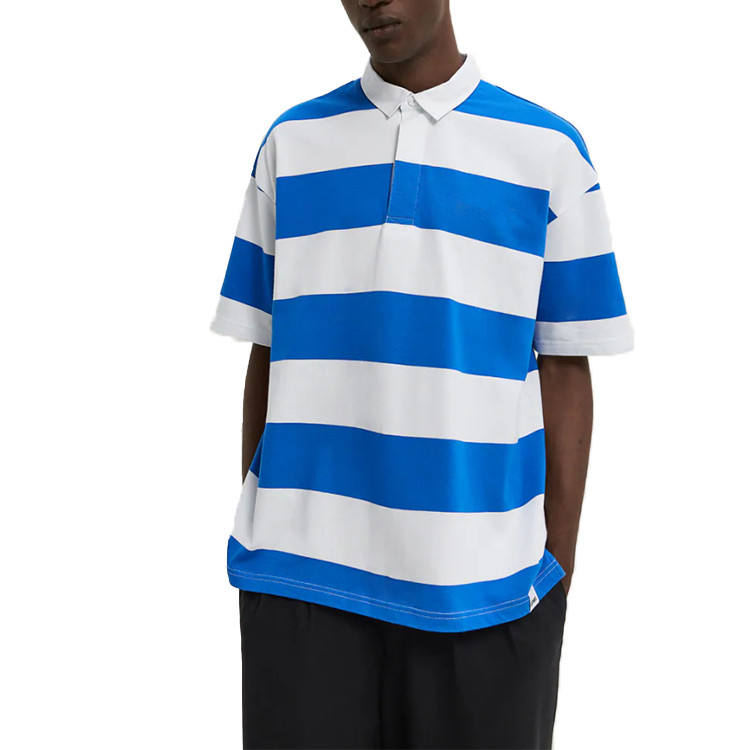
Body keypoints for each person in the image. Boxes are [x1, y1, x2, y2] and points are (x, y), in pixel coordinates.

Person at [210, 0, 633, 747]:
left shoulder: (548, 152)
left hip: (486, 590)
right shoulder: (291, 143)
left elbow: (566, 367)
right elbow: (268, 349)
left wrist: (554, 570)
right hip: (301, 584)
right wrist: (267, 524)